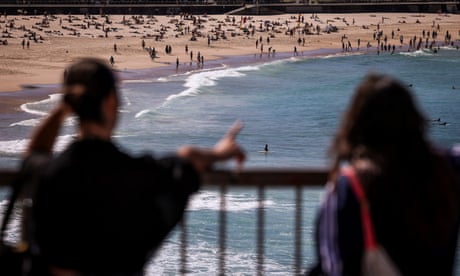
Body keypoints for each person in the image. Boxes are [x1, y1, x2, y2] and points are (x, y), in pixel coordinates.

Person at [23, 58, 245, 275]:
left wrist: (61, 110)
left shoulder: (50, 174)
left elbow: (35, 153)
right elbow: (187, 159)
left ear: (71, 103)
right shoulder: (141, 175)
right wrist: (219, 153)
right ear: (111, 101)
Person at [308, 74, 460, 276]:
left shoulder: (348, 187)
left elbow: (334, 267)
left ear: (356, 125)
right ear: (415, 119)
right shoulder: (448, 169)